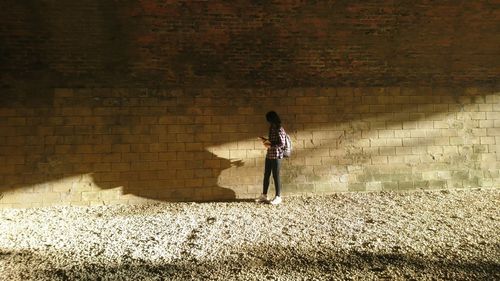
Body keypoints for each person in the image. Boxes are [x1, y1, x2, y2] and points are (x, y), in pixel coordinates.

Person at [256, 111, 286, 205]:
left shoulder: (279, 129)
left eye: (269, 120)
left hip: (277, 155)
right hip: (269, 155)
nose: (268, 122)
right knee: (266, 175)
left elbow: (282, 143)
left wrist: (270, 145)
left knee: (276, 176)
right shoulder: (272, 127)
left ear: (272, 119)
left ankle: (278, 196)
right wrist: (264, 140)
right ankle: (264, 195)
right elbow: (272, 141)